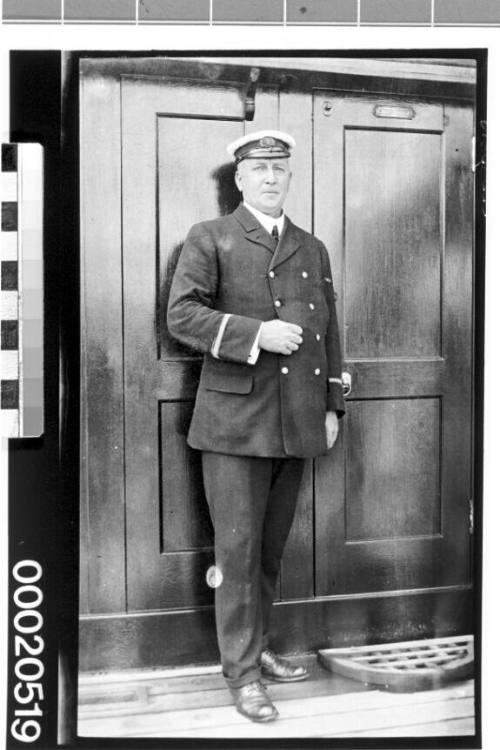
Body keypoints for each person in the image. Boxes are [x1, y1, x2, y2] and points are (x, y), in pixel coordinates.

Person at [167, 130, 345, 722]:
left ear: (289, 177)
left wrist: (331, 406)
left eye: (280, 169)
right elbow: (182, 315)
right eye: (259, 169)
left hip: (296, 421)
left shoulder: (310, 246)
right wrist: (255, 335)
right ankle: (242, 676)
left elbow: (329, 333)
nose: (271, 178)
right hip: (233, 425)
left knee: (268, 552)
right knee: (238, 553)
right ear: (239, 179)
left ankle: (258, 649)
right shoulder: (210, 237)